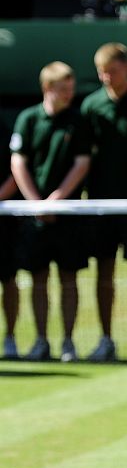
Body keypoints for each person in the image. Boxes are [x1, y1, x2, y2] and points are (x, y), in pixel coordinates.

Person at [10, 61, 92, 362]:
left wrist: (57, 199)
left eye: (71, 88)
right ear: (47, 88)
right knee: (38, 279)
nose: (69, 94)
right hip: (34, 217)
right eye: (63, 89)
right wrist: (36, 203)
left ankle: (68, 342)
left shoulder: (78, 121)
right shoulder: (28, 119)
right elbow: (18, 162)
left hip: (68, 215)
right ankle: (41, 340)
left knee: (69, 279)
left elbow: (82, 163)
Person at [81, 42, 127, 363]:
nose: (107, 78)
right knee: (103, 271)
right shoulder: (91, 106)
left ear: (126, 68)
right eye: (102, 72)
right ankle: (106, 339)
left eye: (112, 71)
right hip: (101, 204)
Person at [1, 117, 20, 359]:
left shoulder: (4, 132)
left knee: (8, 279)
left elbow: (16, 170)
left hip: (4, 222)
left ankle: (10, 338)